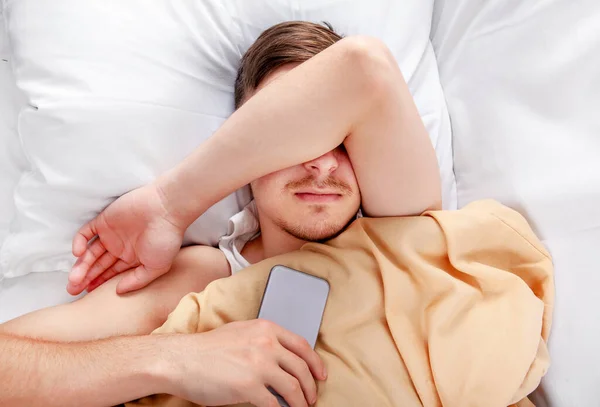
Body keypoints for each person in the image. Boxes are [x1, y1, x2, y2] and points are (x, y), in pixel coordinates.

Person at [0, 21, 440, 407]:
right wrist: (175, 359)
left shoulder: (399, 230)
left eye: (342, 137)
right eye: (295, 140)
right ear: (245, 151)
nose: (322, 163)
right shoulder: (204, 279)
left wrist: (170, 204)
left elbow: (364, 68)